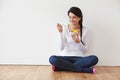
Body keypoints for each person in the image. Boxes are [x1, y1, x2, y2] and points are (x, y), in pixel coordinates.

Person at [49, 6, 98, 74]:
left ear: (79, 18)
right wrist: (60, 32)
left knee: (94, 58)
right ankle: (85, 70)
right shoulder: (64, 28)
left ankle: (61, 68)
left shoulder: (85, 30)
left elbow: (85, 50)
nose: (71, 19)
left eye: (74, 17)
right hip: (65, 58)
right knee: (52, 59)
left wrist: (79, 42)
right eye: (70, 17)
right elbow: (61, 48)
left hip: (79, 58)